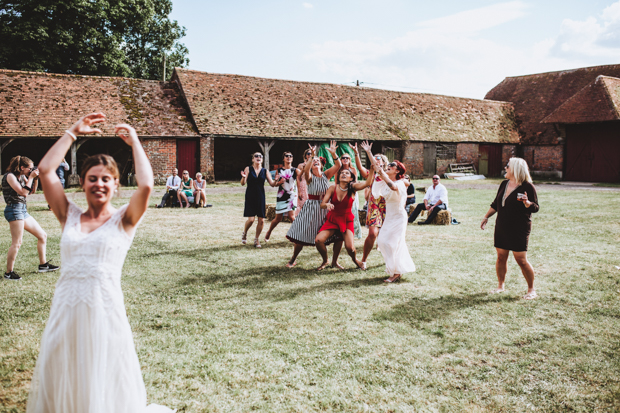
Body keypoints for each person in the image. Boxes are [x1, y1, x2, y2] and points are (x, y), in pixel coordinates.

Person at [33, 113, 174, 412]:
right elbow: (45, 171)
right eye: (92, 179)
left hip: (104, 310)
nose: (99, 184)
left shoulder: (124, 219)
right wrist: (72, 132)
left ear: (116, 185)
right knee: (64, 374)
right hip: (66, 309)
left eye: (105, 179)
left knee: (104, 376)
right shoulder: (68, 215)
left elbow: (146, 186)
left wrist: (135, 140)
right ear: (82, 184)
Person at [481, 157, 539, 300]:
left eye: (507, 166)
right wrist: (486, 216)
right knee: (501, 257)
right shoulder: (504, 184)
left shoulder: (528, 187)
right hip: (502, 225)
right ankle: (501, 286)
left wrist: (527, 203)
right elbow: (496, 203)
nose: (505, 168)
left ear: (515, 169)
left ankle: (531, 289)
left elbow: (535, 208)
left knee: (521, 259)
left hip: (519, 228)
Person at [362, 142, 415, 283]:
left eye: (392, 166)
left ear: (397, 171)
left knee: (393, 244)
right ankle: (395, 269)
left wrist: (381, 172)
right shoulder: (384, 180)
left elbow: (392, 186)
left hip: (399, 217)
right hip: (389, 217)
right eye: (388, 165)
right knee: (382, 241)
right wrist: (368, 152)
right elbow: (377, 167)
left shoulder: (401, 182)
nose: (389, 167)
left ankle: (395, 272)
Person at [3, 156, 58, 280]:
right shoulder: (10, 176)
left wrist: (35, 179)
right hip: (14, 210)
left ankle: (43, 265)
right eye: (30, 168)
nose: (31, 170)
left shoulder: (22, 177)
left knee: (42, 235)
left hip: (22, 210)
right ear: (22, 168)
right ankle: (8, 272)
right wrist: (31, 177)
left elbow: (30, 192)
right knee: (17, 243)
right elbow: (23, 192)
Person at [285, 146, 341, 267]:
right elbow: (306, 170)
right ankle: (293, 259)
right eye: (313, 161)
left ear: (321, 165)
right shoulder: (309, 176)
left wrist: (333, 153)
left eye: (318, 161)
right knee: (301, 234)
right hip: (311, 209)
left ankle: (331, 261)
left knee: (336, 235)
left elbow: (338, 165)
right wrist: (312, 156)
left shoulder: (326, 175)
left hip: (325, 208)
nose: (315, 162)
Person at [314, 167, 374, 270]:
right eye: (342, 173)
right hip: (333, 219)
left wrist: (372, 170)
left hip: (346, 220)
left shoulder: (353, 188)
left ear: (351, 178)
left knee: (350, 248)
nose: (343, 174)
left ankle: (355, 260)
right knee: (318, 240)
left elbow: (367, 183)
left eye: (347, 173)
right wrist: (327, 205)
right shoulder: (332, 188)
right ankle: (325, 260)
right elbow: (322, 204)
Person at [240, 152, 281, 248]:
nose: (258, 157)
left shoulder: (265, 171)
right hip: (250, 196)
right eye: (256, 156)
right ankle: (245, 233)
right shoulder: (248, 169)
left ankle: (256, 239)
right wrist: (243, 177)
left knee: (261, 220)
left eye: (260, 156)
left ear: (262, 159)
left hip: (261, 197)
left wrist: (276, 180)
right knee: (251, 220)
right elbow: (243, 183)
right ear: (253, 159)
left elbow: (272, 184)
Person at [264, 151, 302, 242]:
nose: (289, 157)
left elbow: (298, 182)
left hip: (292, 195)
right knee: (278, 218)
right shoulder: (279, 170)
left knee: (292, 217)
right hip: (281, 195)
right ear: (283, 158)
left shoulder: (295, 170)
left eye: (290, 156)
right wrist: (278, 182)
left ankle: (297, 235)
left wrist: (300, 193)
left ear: (292, 158)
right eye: (286, 156)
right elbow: (276, 184)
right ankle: (269, 232)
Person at [360, 152, 389, 269]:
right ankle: (363, 260)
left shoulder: (389, 173)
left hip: (387, 205)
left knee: (388, 235)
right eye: (374, 159)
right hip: (374, 205)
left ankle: (390, 259)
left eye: (378, 159)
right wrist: (358, 154)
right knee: (372, 233)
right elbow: (360, 168)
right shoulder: (371, 174)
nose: (376, 161)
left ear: (383, 162)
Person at [295, 148, 313, 217]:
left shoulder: (314, 165)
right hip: (303, 185)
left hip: (311, 185)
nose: (309, 155)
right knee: (302, 202)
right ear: (305, 155)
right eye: (308, 154)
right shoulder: (300, 165)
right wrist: (299, 191)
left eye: (311, 154)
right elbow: (298, 178)